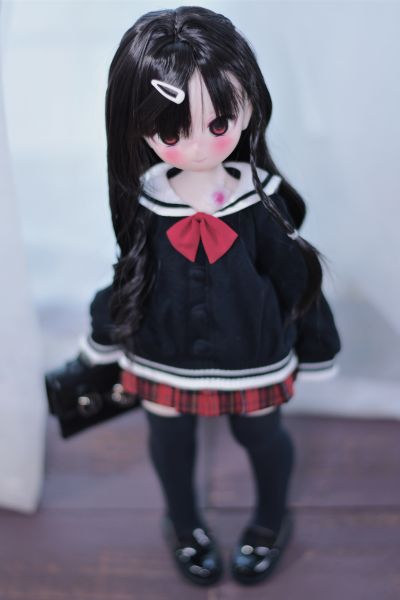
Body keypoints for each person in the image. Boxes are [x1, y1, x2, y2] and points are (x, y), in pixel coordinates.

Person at [76, 6, 341, 586]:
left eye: (219, 123)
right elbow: (130, 271)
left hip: (253, 350)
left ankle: (270, 519)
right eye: (173, 133)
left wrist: (317, 343)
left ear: (249, 105)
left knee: (260, 433)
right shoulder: (147, 200)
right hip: (162, 347)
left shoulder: (261, 199)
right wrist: (104, 331)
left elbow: (296, 277)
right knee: (169, 437)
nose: (200, 147)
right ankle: (183, 521)